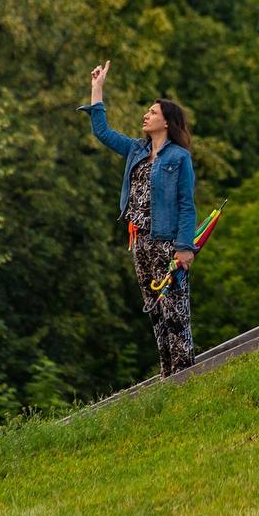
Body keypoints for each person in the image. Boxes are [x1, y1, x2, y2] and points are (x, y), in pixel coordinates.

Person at [79, 60, 199, 376]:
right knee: (156, 310)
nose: (146, 115)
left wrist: (185, 248)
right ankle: (168, 373)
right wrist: (97, 88)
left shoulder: (179, 157)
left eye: (152, 113)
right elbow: (102, 131)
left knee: (175, 308)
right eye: (147, 111)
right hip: (140, 242)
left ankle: (186, 371)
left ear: (167, 123)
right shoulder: (136, 150)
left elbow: (187, 205)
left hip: (167, 241)